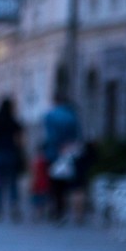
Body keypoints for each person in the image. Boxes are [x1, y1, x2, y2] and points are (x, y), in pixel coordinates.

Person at [41, 91, 84, 224]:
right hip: (70, 152)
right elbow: (78, 135)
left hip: (54, 153)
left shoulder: (51, 115)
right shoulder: (72, 115)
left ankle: (56, 211)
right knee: (68, 183)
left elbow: (50, 136)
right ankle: (66, 211)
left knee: (55, 183)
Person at [0, 98, 25, 222]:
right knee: (13, 182)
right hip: (11, 153)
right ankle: (14, 206)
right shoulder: (14, 122)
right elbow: (19, 140)